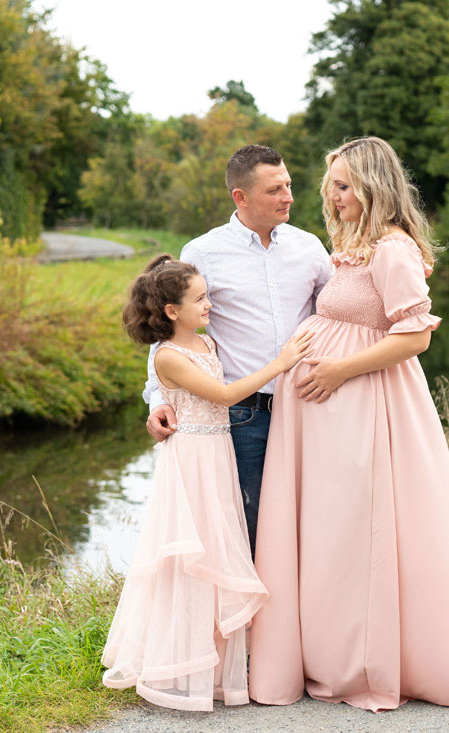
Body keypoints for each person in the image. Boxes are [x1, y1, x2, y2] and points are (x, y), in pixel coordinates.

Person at [248, 137, 449, 712]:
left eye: (344, 185)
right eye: (331, 185)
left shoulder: (392, 249)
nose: (333, 196)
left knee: (358, 532)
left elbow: (414, 335)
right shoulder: (352, 247)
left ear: (373, 186)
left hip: (365, 409)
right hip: (328, 417)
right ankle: (327, 651)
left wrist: (339, 369)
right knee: (329, 536)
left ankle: (367, 660)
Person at [102, 254, 314, 711]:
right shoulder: (169, 357)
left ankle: (218, 667)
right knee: (193, 555)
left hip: (218, 455)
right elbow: (222, 395)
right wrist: (280, 363)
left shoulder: (208, 344)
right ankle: (179, 662)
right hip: (191, 461)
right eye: (200, 299)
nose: (209, 305)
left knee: (222, 548)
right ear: (172, 311)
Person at [143, 145, 333, 557]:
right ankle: (253, 623)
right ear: (240, 197)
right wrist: (159, 399)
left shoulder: (311, 247)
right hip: (243, 417)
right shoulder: (202, 252)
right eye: (275, 190)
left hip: (310, 405)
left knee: (316, 521)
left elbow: (339, 312)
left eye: (288, 185)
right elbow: (168, 332)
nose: (289, 197)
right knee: (251, 528)